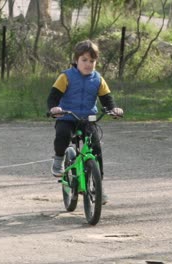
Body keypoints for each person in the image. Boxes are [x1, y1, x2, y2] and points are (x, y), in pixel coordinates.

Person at [47, 40, 123, 203]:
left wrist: (113, 109)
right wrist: (54, 108)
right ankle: (59, 160)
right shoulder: (65, 76)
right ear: (76, 60)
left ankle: (97, 186)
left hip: (88, 119)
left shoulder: (98, 79)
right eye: (84, 60)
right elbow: (53, 96)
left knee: (96, 147)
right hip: (67, 117)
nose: (88, 64)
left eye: (92, 61)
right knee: (62, 135)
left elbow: (107, 99)